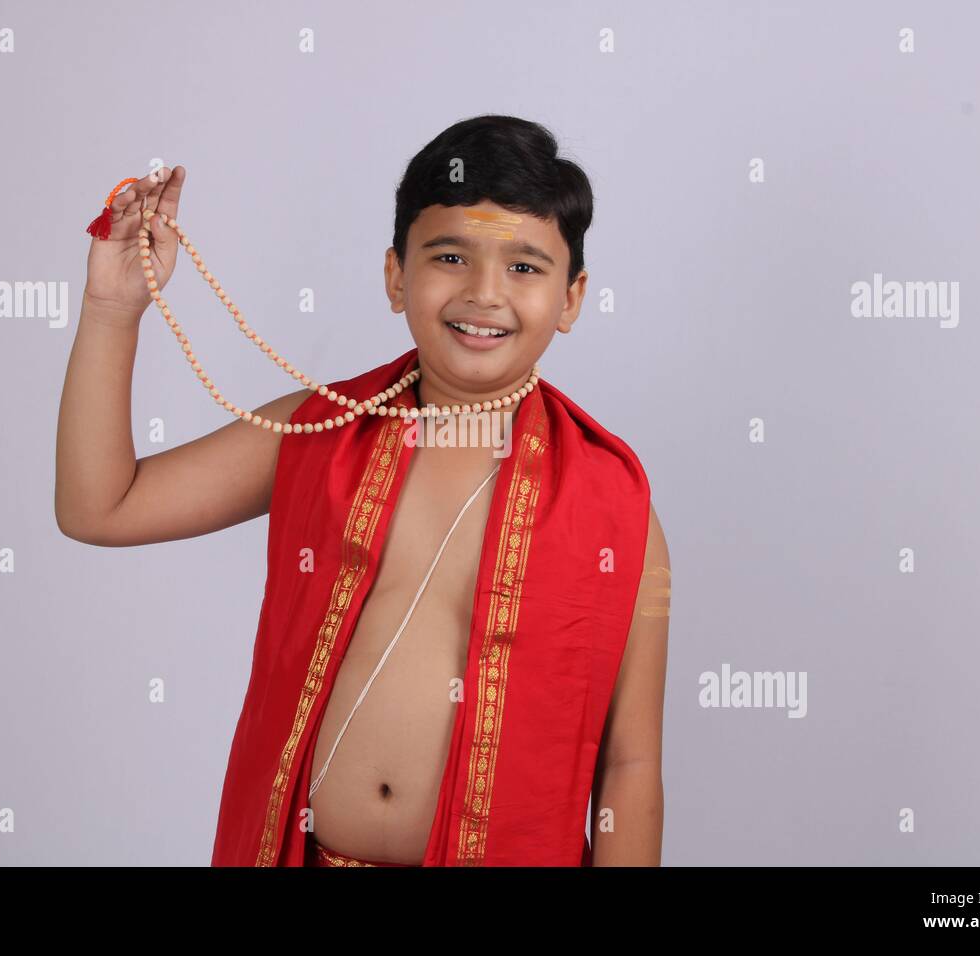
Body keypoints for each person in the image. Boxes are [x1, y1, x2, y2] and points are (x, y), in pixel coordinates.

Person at [55, 115, 670, 866]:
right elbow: (100, 507)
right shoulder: (323, 431)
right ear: (395, 275)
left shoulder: (613, 506)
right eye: (450, 255)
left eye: (525, 268)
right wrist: (113, 309)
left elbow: (629, 765)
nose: (484, 294)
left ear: (571, 299)